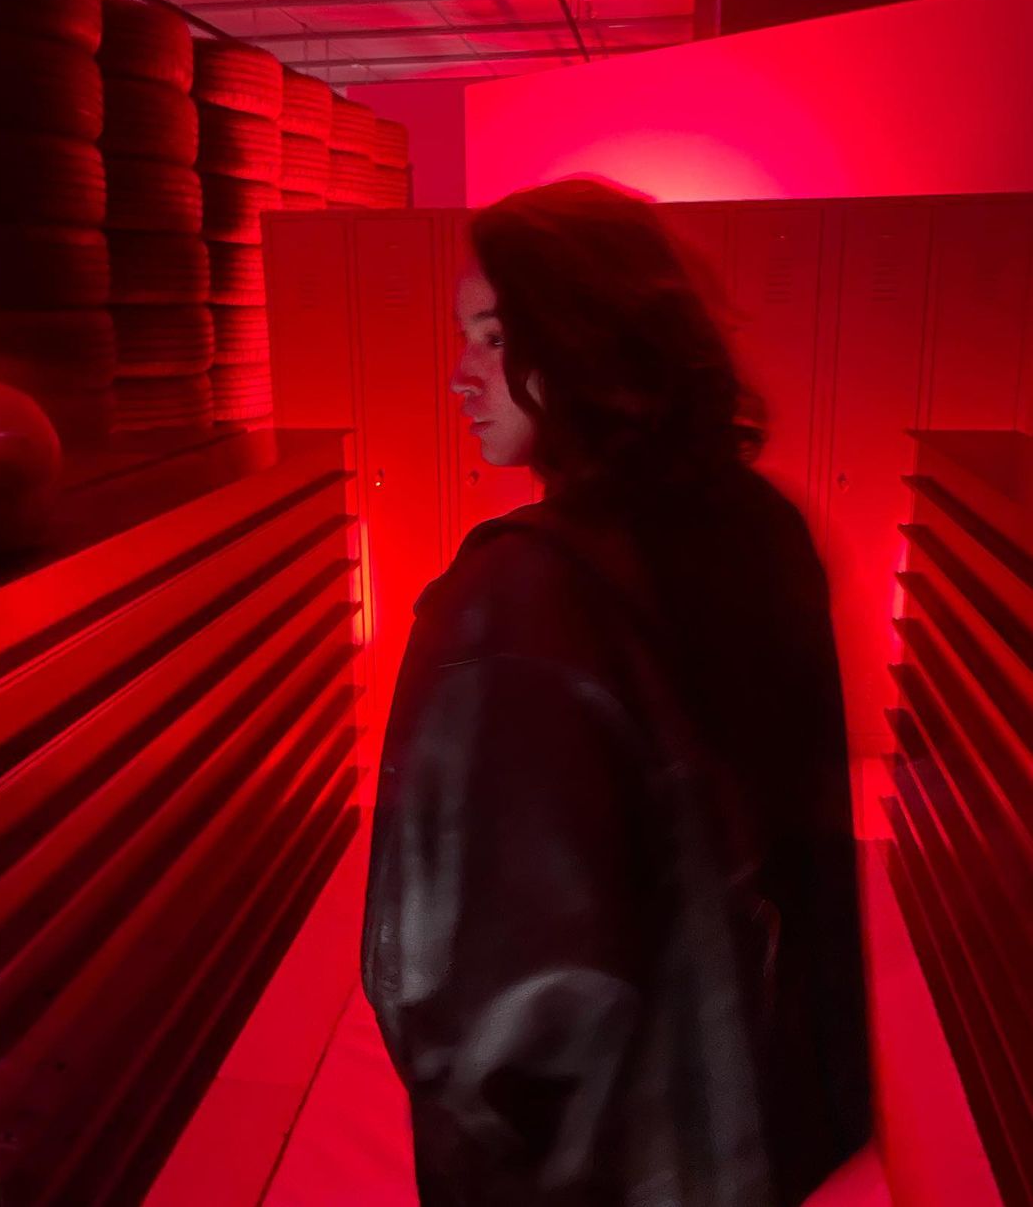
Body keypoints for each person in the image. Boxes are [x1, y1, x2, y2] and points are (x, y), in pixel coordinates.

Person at [361, 179, 871, 1206]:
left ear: (583, 339)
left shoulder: (513, 596)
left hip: (607, 1167)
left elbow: (463, 978)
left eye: (495, 337)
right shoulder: (760, 524)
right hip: (761, 1119)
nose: (460, 375)